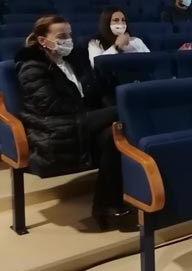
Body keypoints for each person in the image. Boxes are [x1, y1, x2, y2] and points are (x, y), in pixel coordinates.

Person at [15, 16, 128, 228]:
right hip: (54, 129)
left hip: (80, 122)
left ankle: (106, 207)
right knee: (122, 112)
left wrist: (100, 106)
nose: (68, 40)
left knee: (112, 137)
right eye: (61, 36)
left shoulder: (75, 60)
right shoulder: (32, 67)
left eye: (69, 34)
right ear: (42, 41)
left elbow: (94, 91)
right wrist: (97, 111)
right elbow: (51, 106)